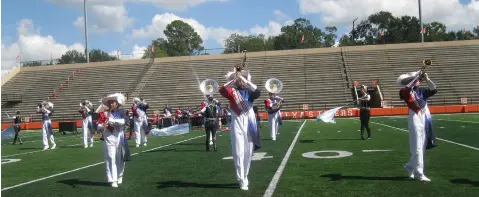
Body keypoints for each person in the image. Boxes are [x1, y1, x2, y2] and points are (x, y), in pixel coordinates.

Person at [219, 70, 261, 190]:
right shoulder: (232, 91)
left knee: (248, 153)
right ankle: (241, 178)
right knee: (238, 152)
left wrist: (247, 80)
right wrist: (233, 78)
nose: (241, 80)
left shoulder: (249, 91)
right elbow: (222, 90)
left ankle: (245, 175)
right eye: (239, 79)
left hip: (249, 122)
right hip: (237, 122)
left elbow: (258, 92)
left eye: (243, 78)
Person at [397, 71, 437, 182]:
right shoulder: (404, 91)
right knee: (416, 147)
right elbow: (407, 91)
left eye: (418, 79)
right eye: (415, 79)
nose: (418, 80)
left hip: (424, 118)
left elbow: (434, 90)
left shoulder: (422, 91)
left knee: (422, 147)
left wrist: (427, 79)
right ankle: (419, 173)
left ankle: (409, 167)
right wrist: (415, 78)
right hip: (414, 118)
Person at [97, 93, 129, 188]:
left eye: (113, 102)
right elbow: (98, 125)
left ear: (117, 103)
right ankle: (113, 179)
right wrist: (102, 126)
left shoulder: (123, 111)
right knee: (111, 158)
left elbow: (125, 121)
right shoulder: (104, 113)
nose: (111, 104)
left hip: (120, 137)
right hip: (109, 138)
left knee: (120, 158)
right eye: (109, 102)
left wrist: (113, 121)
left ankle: (120, 175)